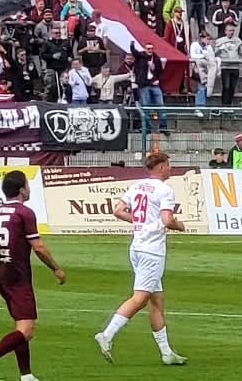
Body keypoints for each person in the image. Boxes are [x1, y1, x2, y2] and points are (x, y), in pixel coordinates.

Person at [0, 169, 66, 381]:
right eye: (28, 185)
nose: (30, 188)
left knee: (20, 326)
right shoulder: (25, 213)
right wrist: (56, 269)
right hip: (18, 277)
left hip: (2, 276)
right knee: (27, 330)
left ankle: (26, 375)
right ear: (22, 190)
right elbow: (39, 247)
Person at [95, 150, 187, 366]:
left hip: (137, 247)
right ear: (161, 166)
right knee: (140, 298)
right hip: (152, 251)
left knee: (157, 301)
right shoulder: (165, 190)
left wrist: (139, 222)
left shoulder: (136, 186)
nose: (171, 168)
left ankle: (166, 353)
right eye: (169, 164)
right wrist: (179, 225)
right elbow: (167, 220)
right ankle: (107, 335)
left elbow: (118, 211)